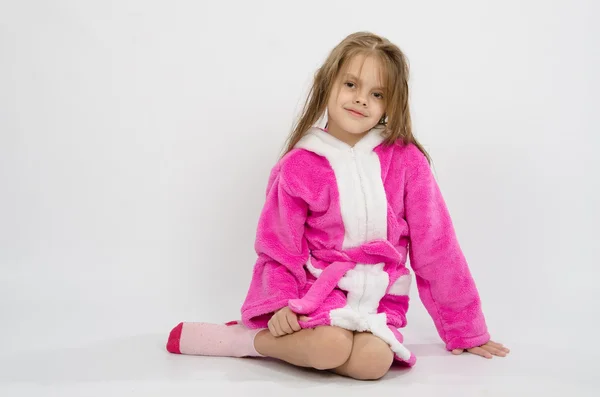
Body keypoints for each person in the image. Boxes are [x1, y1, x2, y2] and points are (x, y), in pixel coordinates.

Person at [165, 31, 510, 381]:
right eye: (351, 85)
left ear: (392, 104)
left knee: (374, 363)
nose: (361, 100)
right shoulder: (299, 165)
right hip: (315, 295)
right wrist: (280, 303)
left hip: (378, 300)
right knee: (328, 346)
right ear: (327, 83)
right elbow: (279, 247)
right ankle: (250, 340)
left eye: (377, 94)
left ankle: (310, 343)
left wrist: (465, 329)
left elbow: (437, 246)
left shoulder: (407, 162)